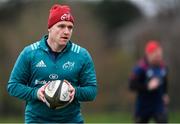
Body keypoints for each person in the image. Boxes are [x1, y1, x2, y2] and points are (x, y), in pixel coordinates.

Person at [7, 4, 97, 123]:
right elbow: (13, 86)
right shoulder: (29, 53)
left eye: (70, 27)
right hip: (37, 120)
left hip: (71, 120)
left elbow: (92, 91)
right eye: (61, 26)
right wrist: (36, 93)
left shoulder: (82, 55)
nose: (66, 31)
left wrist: (75, 92)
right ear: (50, 28)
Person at [129, 40, 169, 123]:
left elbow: (165, 81)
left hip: (158, 105)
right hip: (143, 106)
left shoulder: (163, 67)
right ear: (149, 54)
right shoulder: (140, 68)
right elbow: (131, 85)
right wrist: (148, 86)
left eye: (160, 55)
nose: (159, 57)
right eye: (156, 55)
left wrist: (165, 94)